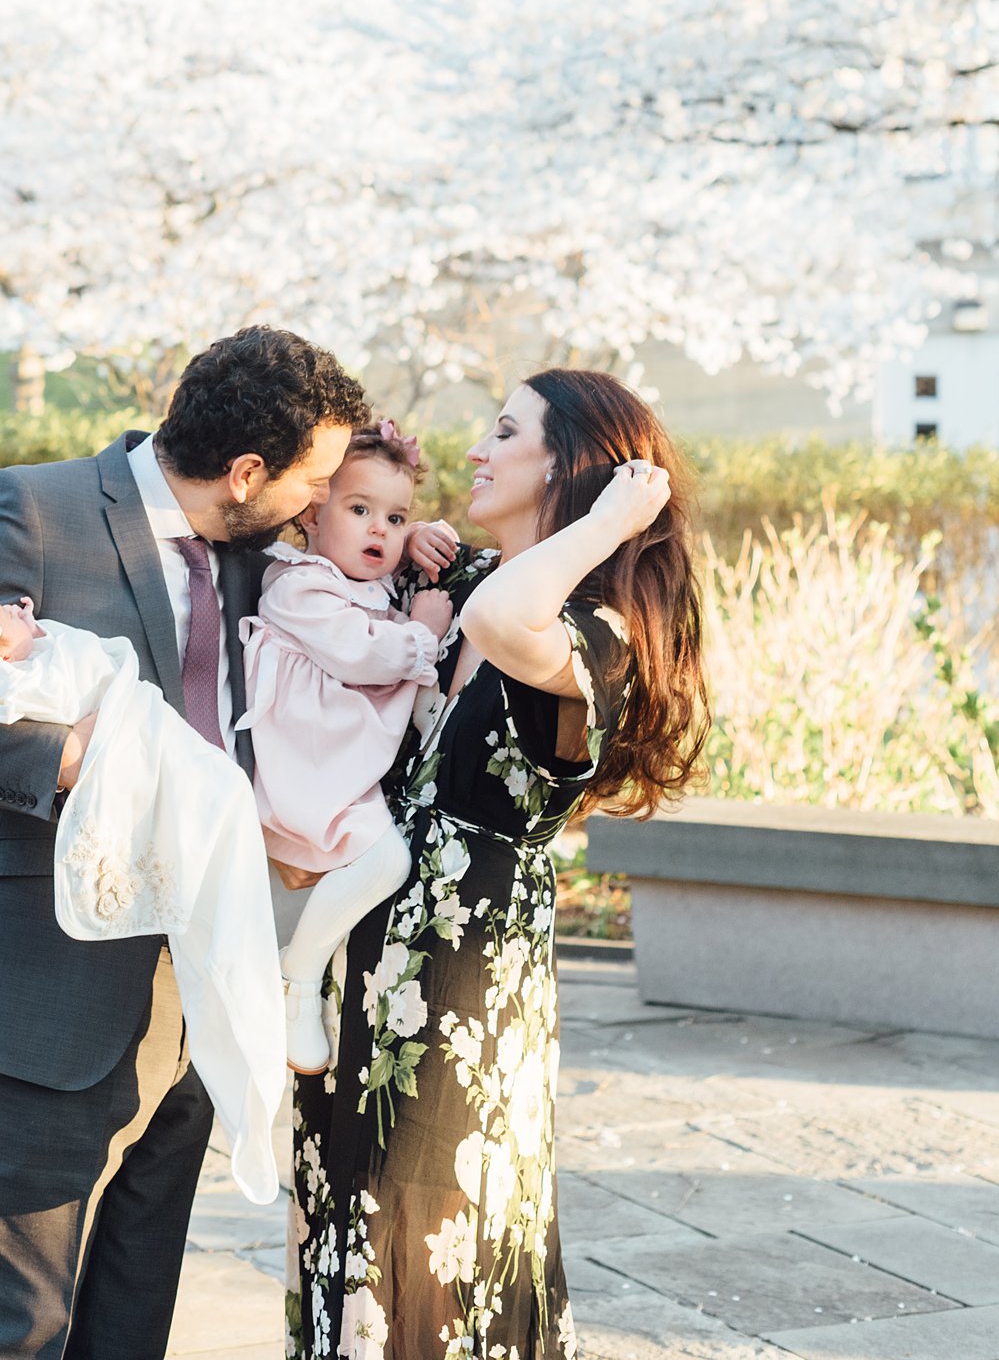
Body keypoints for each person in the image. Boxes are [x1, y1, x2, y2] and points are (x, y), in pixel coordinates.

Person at [0, 323, 370, 1360]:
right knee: (22, 1311)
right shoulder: (36, 506)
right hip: (49, 967)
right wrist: (60, 762)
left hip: (199, 971)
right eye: (312, 478)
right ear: (244, 472)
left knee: (135, 1299)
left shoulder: (258, 549)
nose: (319, 500)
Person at [289, 368, 709, 1360]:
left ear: (566, 466)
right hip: (364, 978)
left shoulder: (597, 637)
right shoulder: (473, 576)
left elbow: (499, 626)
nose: (477, 450)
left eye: (505, 431)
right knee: (340, 1240)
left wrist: (608, 525)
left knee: (434, 1253)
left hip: (460, 998)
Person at [243, 419, 457, 1073]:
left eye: (394, 517)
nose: (377, 529)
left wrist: (410, 538)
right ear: (310, 510)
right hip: (303, 763)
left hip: (341, 762)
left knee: (383, 862)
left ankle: (297, 982)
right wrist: (421, 633)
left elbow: (379, 556)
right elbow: (362, 653)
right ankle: (296, 981)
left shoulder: (366, 580)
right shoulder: (298, 583)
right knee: (382, 862)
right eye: (359, 509)